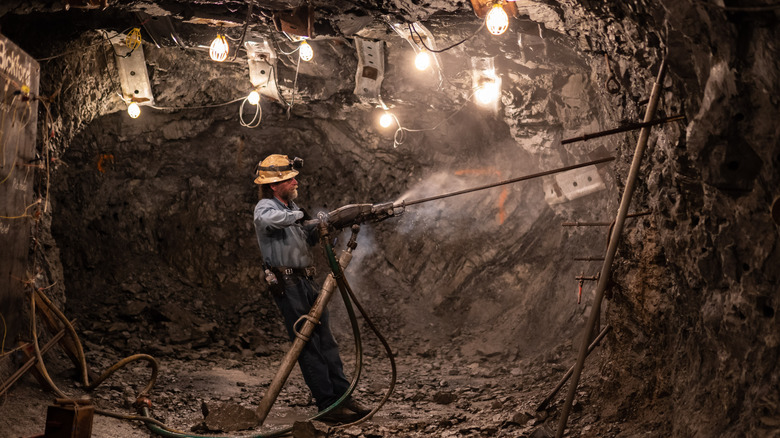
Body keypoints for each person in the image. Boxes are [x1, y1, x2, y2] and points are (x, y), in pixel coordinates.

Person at [252, 153, 369, 423]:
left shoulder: (292, 209)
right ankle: (328, 404)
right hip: (287, 283)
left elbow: (307, 233)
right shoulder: (266, 207)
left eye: (294, 177)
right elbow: (270, 222)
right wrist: (298, 216)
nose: (296, 181)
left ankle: (343, 395)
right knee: (308, 343)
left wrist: (329, 222)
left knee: (326, 341)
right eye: (289, 179)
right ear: (273, 185)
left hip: (307, 281)